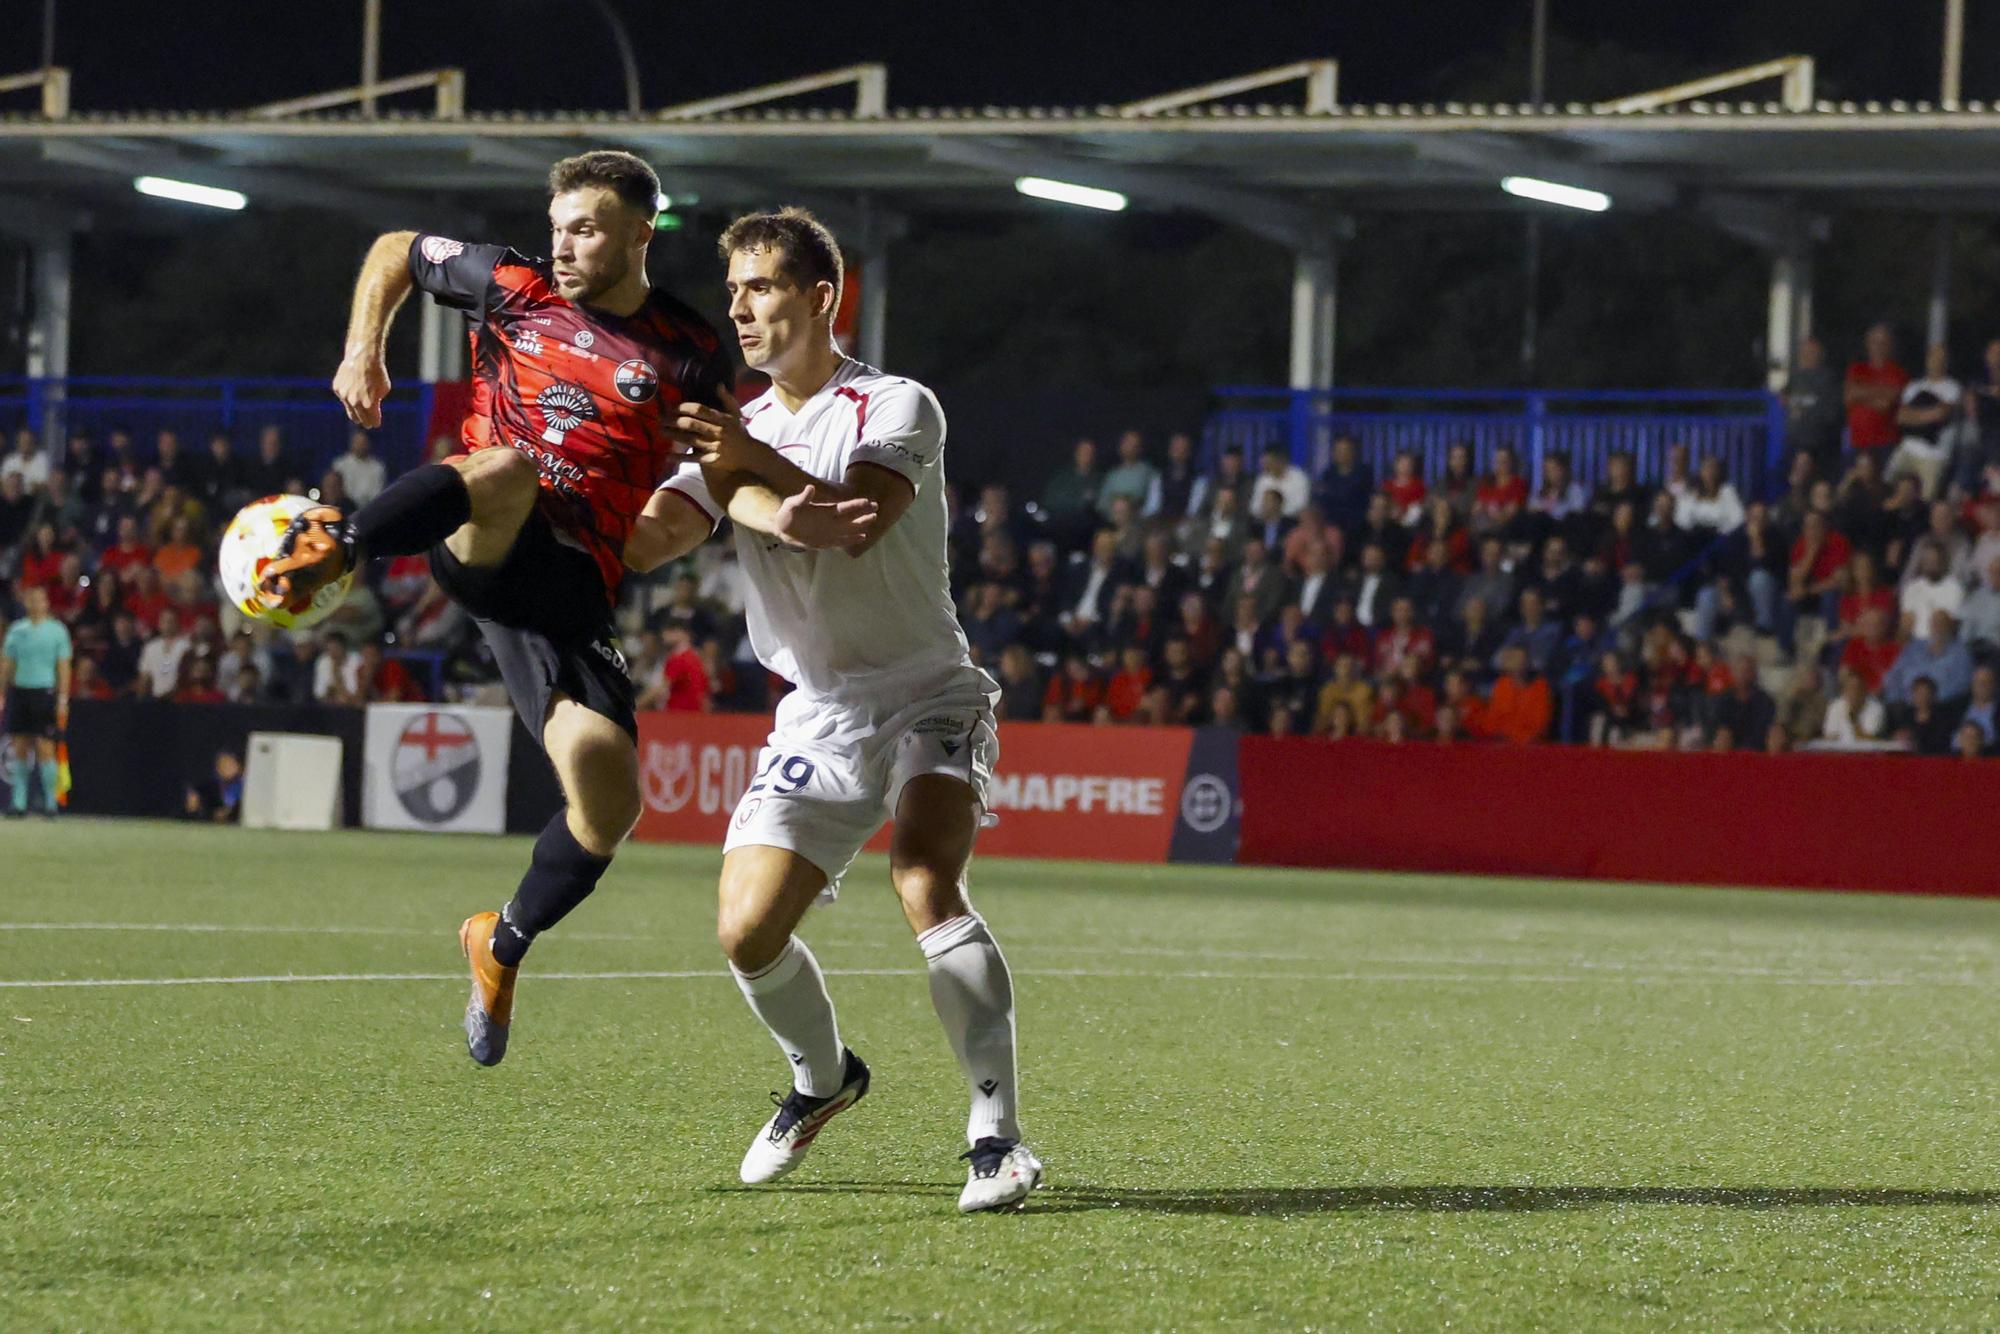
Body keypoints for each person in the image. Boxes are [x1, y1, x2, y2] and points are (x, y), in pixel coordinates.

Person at [256, 151, 873, 1069]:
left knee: (609, 797)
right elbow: (394, 248)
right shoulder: (510, 283)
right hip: (485, 533)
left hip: (572, 581)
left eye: (585, 229)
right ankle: (338, 546)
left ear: (638, 233)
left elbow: (715, 473)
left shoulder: (689, 350)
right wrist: (362, 349)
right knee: (504, 467)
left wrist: (760, 510)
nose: (565, 245)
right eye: (558, 228)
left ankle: (500, 942)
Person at [659, 206, 1041, 1212]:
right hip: (817, 714)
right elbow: (662, 525)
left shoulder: (894, 403)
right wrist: (582, 513)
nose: (740, 308)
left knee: (921, 874)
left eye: (762, 286)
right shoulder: (734, 430)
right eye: (732, 290)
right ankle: (822, 1078)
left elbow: (858, 521)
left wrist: (736, 453)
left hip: (927, 687)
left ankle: (994, 1136)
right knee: (744, 931)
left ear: (820, 295)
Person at [2, 584, 71, 817]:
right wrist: (2, 692)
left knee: (45, 747)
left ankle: (50, 802)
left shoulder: (57, 631)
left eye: (39, 599)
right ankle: (18, 802)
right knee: (19, 746)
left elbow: (63, 666)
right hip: (20, 691)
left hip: (45, 692)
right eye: (31, 599)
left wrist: (62, 698)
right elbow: (7, 664)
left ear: (46, 603)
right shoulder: (16, 630)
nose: (35, 603)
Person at [1845, 323, 1909, 455]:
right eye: (1875, 342)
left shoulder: (1897, 373)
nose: (1878, 347)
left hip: (1885, 444)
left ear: (1890, 345)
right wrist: (1881, 390)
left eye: (1883, 343)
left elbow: (1884, 405)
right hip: (1857, 443)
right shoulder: (1856, 369)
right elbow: (1849, 397)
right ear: (1868, 344)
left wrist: (1861, 394)